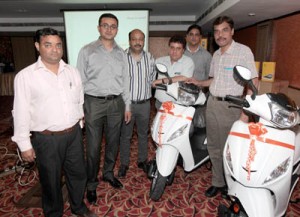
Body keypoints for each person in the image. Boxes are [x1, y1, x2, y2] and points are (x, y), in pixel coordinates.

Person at [12, 28, 96, 217]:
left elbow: (79, 100)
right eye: (48, 45)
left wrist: (79, 125)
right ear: (37, 46)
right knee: (50, 181)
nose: (54, 50)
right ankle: (53, 213)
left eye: (58, 45)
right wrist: (24, 144)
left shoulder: (72, 72)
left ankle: (78, 207)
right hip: (47, 139)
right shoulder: (26, 76)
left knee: (78, 174)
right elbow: (20, 112)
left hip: (73, 134)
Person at [186, 16, 258, 198]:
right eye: (217, 31)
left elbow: (254, 83)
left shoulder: (243, 51)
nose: (220, 35)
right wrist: (199, 82)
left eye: (224, 30)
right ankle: (218, 182)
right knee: (214, 147)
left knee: (231, 149)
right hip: (212, 104)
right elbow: (213, 80)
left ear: (232, 31)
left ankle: (232, 185)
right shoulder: (216, 54)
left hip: (232, 107)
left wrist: (245, 114)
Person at [76, 13, 131, 204]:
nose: (109, 29)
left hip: (117, 103)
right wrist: (79, 108)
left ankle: (108, 173)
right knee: (92, 147)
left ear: (117, 29)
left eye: (113, 26)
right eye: (105, 25)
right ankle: (91, 184)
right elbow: (80, 82)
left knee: (113, 142)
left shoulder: (122, 53)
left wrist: (128, 105)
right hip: (93, 103)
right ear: (99, 28)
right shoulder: (86, 51)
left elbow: (126, 81)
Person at [118, 29, 156, 177]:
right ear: (129, 41)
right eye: (134, 39)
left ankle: (142, 161)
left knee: (143, 134)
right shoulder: (122, 58)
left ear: (144, 41)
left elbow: (152, 79)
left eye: (141, 39)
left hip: (145, 104)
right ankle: (124, 164)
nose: (138, 42)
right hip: (127, 105)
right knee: (125, 136)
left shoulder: (151, 58)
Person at [152, 35, 194, 109]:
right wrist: (152, 82)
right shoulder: (159, 61)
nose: (174, 51)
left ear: (183, 50)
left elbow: (184, 78)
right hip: (159, 103)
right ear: (169, 48)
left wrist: (161, 81)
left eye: (178, 48)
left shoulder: (188, 61)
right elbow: (151, 76)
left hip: (178, 105)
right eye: (172, 48)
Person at [185, 24, 212, 129]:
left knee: (198, 125)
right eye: (191, 34)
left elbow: (210, 77)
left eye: (196, 35)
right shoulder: (180, 53)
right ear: (186, 36)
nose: (194, 37)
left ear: (200, 37)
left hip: (199, 98)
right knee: (183, 124)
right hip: (181, 97)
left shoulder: (207, 56)